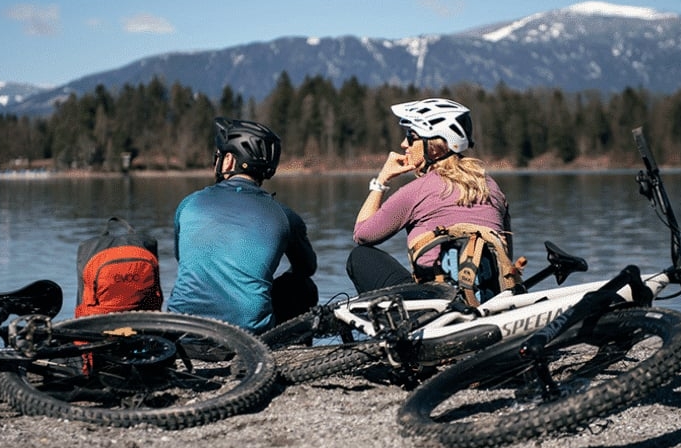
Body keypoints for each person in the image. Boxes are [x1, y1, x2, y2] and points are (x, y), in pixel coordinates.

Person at [347, 98, 515, 300]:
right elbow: (508, 256)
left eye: (411, 137)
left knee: (360, 256)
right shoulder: (493, 188)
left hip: (435, 304)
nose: (403, 144)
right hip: (491, 298)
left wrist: (381, 181)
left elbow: (362, 234)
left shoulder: (416, 191)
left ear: (434, 146)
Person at [167, 117, 318, 334]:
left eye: (219, 157)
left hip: (182, 333)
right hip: (247, 338)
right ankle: (295, 356)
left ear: (228, 160)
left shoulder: (189, 204)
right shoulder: (285, 216)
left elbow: (183, 259)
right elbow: (307, 268)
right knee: (303, 287)